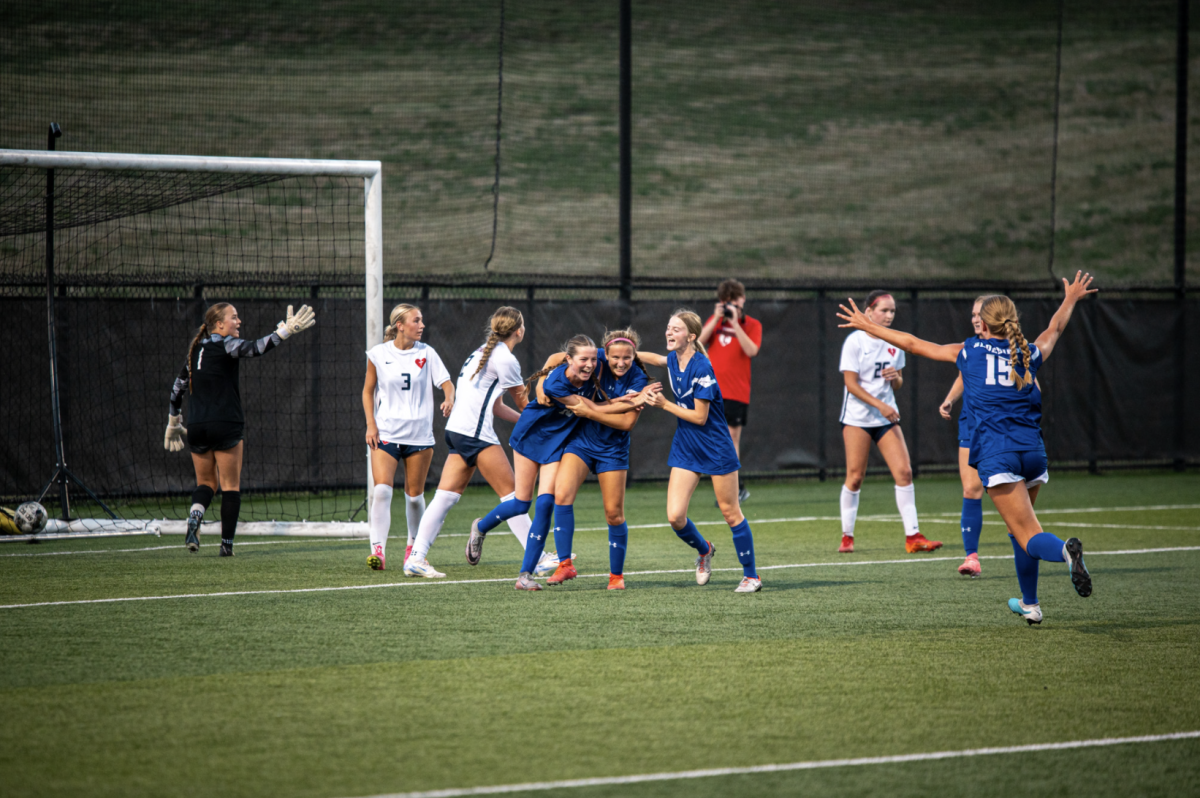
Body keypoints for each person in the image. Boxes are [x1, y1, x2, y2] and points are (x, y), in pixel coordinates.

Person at [837, 272, 1097, 625]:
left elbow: (912, 343)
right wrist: (1070, 299)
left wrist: (868, 325)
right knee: (1018, 531)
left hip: (998, 453)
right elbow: (1054, 330)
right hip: (1033, 452)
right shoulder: (1027, 352)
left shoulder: (970, 351)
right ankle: (1030, 604)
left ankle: (1065, 552)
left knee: (1030, 535)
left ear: (984, 325)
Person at [165, 302, 316, 556]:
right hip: (226, 424)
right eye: (234, 317)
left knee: (206, 484)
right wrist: (285, 331)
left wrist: (173, 422)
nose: (239, 321)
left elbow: (177, 388)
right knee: (230, 486)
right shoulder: (226, 344)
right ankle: (227, 546)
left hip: (197, 426)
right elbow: (256, 348)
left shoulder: (195, 351)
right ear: (219, 325)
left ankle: (194, 516)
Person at [403, 307, 532, 578]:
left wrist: (524, 420)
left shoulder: (483, 351)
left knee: (444, 498)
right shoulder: (505, 358)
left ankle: (416, 557)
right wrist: (548, 422)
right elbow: (524, 403)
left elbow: (497, 406)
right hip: (475, 434)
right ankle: (539, 558)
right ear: (519, 330)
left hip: (458, 431)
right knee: (515, 496)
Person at [638, 310, 761, 593]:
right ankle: (705, 550)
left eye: (676, 329)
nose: (669, 333)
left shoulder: (702, 367)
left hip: (715, 445)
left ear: (691, 337)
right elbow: (656, 359)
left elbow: (700, 417)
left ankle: (751, 576)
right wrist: (619, 351)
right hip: (686, 445)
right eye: (668, 327)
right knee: (675, 516)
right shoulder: (672, 359)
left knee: (731, 512)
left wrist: (664, 404)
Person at [545, 329, 657, 591]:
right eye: (615, 357)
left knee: (614, 514)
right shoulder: (595, 358)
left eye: (627, 357)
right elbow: (555, 357)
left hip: (613, 450)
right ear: (604, 354)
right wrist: (540, 382)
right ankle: (565, 564)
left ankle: (616, 577)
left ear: (634, 356)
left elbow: (627, 422)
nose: (620, 362)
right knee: (561, 495)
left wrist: (591, 411)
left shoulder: (639, 378)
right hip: (582, 442)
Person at [488, 335, 598, 591]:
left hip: (556, 442)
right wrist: (542, 382)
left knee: (546, 502)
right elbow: (589, 408)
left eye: (593, 359)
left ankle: (524, 575)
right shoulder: (557, 382)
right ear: (570, 359)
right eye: (583, 359)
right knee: (521, 503)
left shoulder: (595, 360)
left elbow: (557, 357)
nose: (590, 364)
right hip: (531, 435)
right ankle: (481, 527)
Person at [837, 290, 941, 555]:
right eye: (884, 310)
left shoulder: (895, 341)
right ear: (869, 311)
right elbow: (850, 384)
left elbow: (899, 382)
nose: (889, 315)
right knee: (856, 477)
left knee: (904, 473)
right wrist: (881, 405)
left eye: (892, 311)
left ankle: (913, 536)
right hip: (858, 418)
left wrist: (895, 378)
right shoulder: (855, 341)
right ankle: (847, 536)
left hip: (885, 417)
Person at [361, 303, 454, 571]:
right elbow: (368, 391)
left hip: (419, 436)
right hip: (386, 433)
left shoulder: (428, 353)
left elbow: (447, 383)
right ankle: (377, 552)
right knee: (381, 491)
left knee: (414, 497)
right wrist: (371, 424)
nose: (422, 325)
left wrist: (449, 398)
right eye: (416, 320)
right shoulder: (378, 354)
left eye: (422, 320)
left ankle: (413, 550)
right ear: (400, 325)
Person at [698, 279, 761, 503]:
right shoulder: (715, 321)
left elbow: (751, 350)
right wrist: (716, 317)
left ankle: (734, 488)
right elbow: (698, 342)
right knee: (713, 439)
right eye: (727, 301)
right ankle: (731, 487)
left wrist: (735, 323)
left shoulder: (751, 324)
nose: (732, 305)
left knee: (731, 438)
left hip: (736, 391)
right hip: (712, 390)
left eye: (736, 300)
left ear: (743, 300)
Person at [938, 298, 987, 578]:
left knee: (1015, 504)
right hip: (971, 426)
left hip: (1003, 431)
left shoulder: (1017, 349)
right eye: (973, 314)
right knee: (971, 491)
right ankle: (972, 557)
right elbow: (964, 375)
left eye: (981, 314)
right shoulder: (969, 347)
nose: (975, 319)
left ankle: (1030, 548)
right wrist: (950, 399)